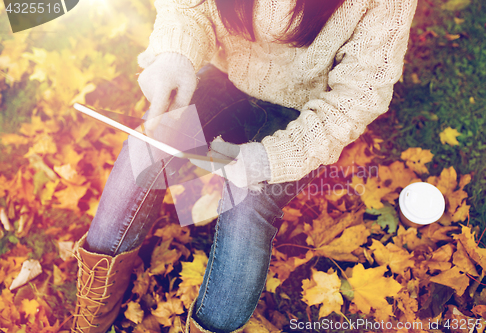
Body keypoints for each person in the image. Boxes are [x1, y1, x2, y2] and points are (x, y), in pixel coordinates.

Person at [71, 0, 418, 332]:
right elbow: (187, 7)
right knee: (145, 149)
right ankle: (94, 309)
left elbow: (357, 98)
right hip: (226, 79)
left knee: (247, 205)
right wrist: (175, 57)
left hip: (305, 114)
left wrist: (270, 160)